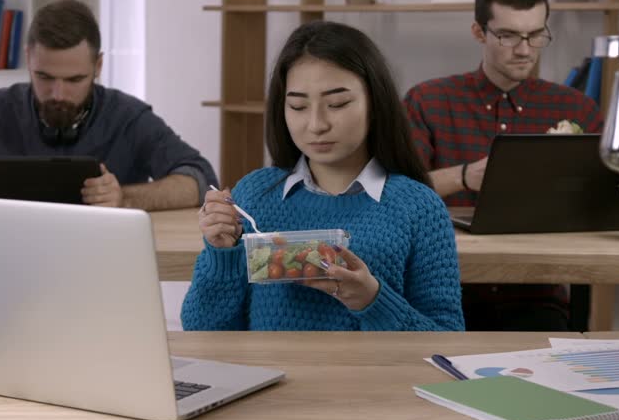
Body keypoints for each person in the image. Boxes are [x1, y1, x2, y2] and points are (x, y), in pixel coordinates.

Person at [181, 21, 464, 331]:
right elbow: (203, 329)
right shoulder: (253, 196)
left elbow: (446, 339)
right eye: (298, 106)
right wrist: (221, 253)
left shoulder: (419, 207)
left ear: (374, 103)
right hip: (270, 376)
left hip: (371, 378)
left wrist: (373, 300)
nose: (316, 124)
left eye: (337, 104)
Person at [403, 0, 602, 331]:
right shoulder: (428, 101)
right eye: (508, 35)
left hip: (537, 296)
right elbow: (396, 195)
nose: (524, 50)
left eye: (536, 35)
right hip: (444, 292)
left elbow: (604, 202)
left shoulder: (577, 110)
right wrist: (465, 176)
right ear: (479, 32)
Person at [0, 0, 217, 211]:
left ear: (97, 66)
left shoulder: (128, 117)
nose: (57, 93)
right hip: (7, 263)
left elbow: (200, 180)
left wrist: (124, 198)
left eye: (73, 80)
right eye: (44, 76)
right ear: (28, 57)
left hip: (101, 264)